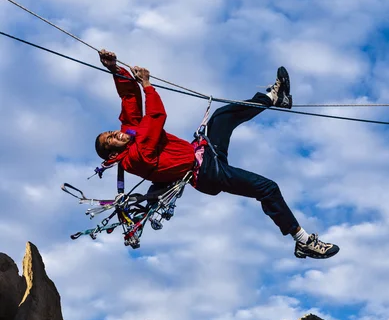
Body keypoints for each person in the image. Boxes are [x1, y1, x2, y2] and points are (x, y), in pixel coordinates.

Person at [95, 50, 339, 259]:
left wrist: (114, 68)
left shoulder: (130, 132)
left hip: (203, 151)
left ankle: (274, 97)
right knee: (268, 188)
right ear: (112, 154)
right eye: (110, 141)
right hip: (207, 173)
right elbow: (155, 118)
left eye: (110, 132)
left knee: (221, 117)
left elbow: (129, 97)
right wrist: (148, 86)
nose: (114, 135)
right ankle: (303, 241)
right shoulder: (133, 158)